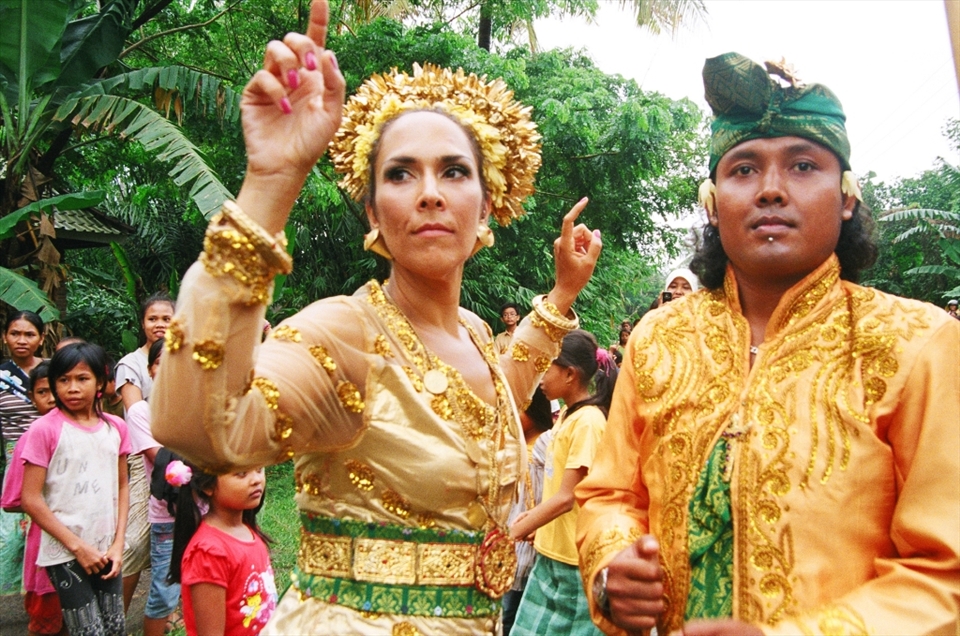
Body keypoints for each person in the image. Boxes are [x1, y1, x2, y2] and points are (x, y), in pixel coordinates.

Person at [151, 1, 601, 633]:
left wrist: (558, 299)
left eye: (453, 171)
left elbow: (498, 395)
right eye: (400, 174)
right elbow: (198, 427)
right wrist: (271, 181)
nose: (429, 193)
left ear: (488, 208)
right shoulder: (347, 331)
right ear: (372, 212)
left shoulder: (471, 331)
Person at [576, 52, 960, 636]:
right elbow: (610, 493)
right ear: (712, 200)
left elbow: (945, 573)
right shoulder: (658, 338)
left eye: (804, 166)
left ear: (848, 195)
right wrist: (611, 568)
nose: (771, 190)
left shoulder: (918, 344)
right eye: (744, 169)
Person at [510, 331, 617, 635]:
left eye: (546, 367)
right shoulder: (569, 416)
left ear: (570, 374)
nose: (540, 378)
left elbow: (567, 498)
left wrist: (514, 531)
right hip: (552, 552)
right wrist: (538, 526)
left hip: (573, 559)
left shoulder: (589, 422)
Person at [20, 342, 131, 635]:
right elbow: (30, 499)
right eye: (63, 380)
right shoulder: (44, 429)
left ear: (99, 382)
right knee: (88, 630)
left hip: (107, 547)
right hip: (66, 551)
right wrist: (78, 547)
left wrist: (119, 543)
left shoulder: (116, 428)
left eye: (82, 379)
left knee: (114, 627)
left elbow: (122, 485)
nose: (72, 388)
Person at [168, 462, 277, 636]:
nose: (256, 480)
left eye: (259, 470)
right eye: (241, 473)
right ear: (208, 486)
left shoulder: (249, 531)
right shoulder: (208, 552)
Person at [116, 293, 173, 609]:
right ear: (142, 323)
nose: (160, 324)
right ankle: (116, 614)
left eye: (166, 318)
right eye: (153, 318)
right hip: (145, 454)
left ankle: (172, 610)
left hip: (182, 455)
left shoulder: (185, 356)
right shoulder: (132, 364)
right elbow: (135, 409)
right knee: (136, 541)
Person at [1, 362, 67, 636]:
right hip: (45, 548)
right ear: (31, 398)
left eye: (56, 389)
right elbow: (13, 499)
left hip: (89, 546)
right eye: (43, 392)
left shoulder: (97, 430)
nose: (52, 398)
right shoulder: (31, 438)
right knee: (46, 623)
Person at [126, 339, 182, 636]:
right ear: (151, 369)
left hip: (208, 511)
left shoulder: (198, 407)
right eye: (163, 361)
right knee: (164, 589)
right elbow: (164, 462)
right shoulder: (140, 413)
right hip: (168, 514)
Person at [502, 387, 554, 635]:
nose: (514, 417)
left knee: (510, 615)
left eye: (521, 411)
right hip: (514, 541)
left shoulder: (543, 445)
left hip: (526, 543)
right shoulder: (517, 445)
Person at [0, 310, 45, 595]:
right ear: (5, 338)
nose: (21, 340)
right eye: (15, 333)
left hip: (52, 452)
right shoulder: (1, 377)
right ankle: (17, 589)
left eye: (29, 334)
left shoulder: (54, 372)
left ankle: (46, 590)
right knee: (13, 532)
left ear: (41, 339)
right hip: (16, 456)